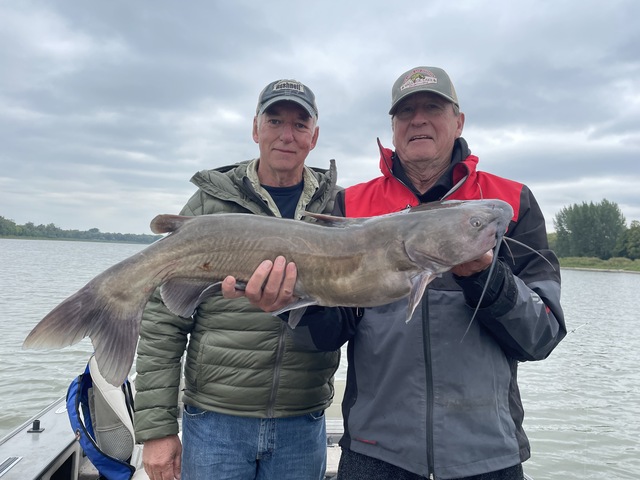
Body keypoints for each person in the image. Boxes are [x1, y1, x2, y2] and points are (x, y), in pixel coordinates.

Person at [224, 66, 566, 480]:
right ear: (393, 126)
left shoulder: (509, 203)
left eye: (433, 108)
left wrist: (483, 275)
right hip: (375, 454)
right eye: (406, 112)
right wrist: (289, 304)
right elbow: (330, 335)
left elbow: (542, 336)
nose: (418, 119)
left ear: (459, 121)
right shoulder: (349, 204)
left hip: (487, 457)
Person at [134, 79, 342, 480]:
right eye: (275, 120)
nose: (286, 135)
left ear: (314, 137)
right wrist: (157, 429)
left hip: (303, 420)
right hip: (216, 421)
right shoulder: (210, 204)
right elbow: (163, 323)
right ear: (255, 129)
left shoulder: (336, 208)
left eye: (300, 125)